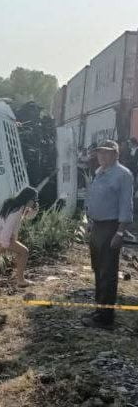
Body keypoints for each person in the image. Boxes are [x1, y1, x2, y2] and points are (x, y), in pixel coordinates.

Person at [83, 140, 134, 328]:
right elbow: (94, 198)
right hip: (97, 226)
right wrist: (90, 221)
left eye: (106, 153)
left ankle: (105, 318)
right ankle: (99, 310)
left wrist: (120, 232)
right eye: (99, 153)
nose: (102, 156)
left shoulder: (122, 175)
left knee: (108, 272)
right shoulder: (100, 172)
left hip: (110, 227)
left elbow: (125, 206)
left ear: (115, 155)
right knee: (98, 269)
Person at [0, 188, 39, 295]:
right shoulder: (17, 210)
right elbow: (7, 229)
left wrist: (35, 209)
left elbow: (28, 217)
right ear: (29, 198)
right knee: (24, 252)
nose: (35, 201)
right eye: (35, 199)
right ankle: (20, 280)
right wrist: (4, 246)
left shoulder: (16, 206)